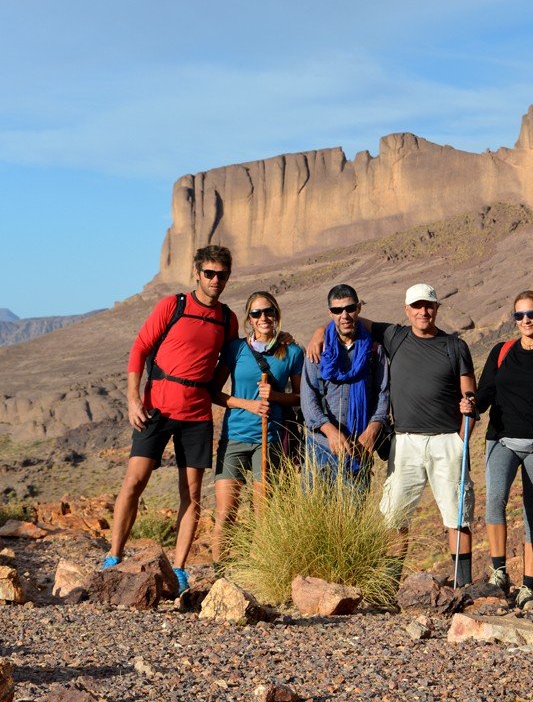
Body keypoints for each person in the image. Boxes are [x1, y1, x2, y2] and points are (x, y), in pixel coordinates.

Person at [307, 283, 476, 586]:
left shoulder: (454, 346)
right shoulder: (395, 336)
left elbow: (469, 396)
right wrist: (320, 332)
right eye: (417, 306)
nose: (423, 311)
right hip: (406, 440)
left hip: (447, 440)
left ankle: (461, 584)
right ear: (407, 310)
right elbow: (346, 321)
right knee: (394, 516)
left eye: (428, 305)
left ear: (436, 308)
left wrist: (463, 439)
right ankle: (387, 585)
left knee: (457, 515)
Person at [104, 245, 239, 595]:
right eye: (209, 273)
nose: (215, 280)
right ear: (197, 273)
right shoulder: (173, 305)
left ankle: (179, 570)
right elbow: (139, 348)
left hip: (196, 415)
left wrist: (213, 387)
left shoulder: (227, 318)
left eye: (221, 274)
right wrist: (134, 399)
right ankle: (114, 557)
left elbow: (230, 359)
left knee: (192, 496)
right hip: (156, 410)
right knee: (134, 482)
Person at [474, 291, 533, 608]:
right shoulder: (501, 353)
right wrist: (472, 405)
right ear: (514, 319)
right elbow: (485, 393)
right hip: (502, 439)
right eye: (519, 315)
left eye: (531, 314)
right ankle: (499, 572)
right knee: (496, 499)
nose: (526, 320)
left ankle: (528, 586)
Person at [210, 291, 303, 568]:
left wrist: (274, 396)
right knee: (226, 511)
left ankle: (259, 571)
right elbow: (214, 393)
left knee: (263, 512)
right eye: (256, 313)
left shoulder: (292, 352)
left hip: (270, 439)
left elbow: (300, 398)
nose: (263, 318)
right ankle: (220, 573)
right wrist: (247, 404)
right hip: (235, 436)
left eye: (269, 312)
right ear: (248, 319)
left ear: (276, 314)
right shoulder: (236, 349)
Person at [299, 284, 390, 488]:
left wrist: (372, 430)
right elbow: (308, 397)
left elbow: (382, 394)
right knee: (316, 515)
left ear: (358, 308)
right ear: (330, 313)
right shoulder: (318, 350)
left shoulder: (374, 351)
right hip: (321, 447)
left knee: (354, 515)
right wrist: (330, 431)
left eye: (349, 308)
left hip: (359, 447)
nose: (344, 315)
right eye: (337, 310)